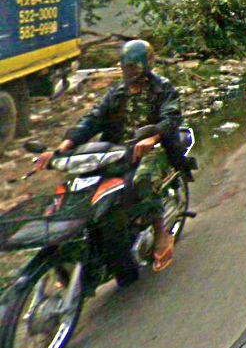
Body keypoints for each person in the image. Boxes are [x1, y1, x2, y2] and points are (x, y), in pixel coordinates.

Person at [35, 39, 187, 272]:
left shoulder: (163, 88)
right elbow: (93, 119)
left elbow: (171, 117)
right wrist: (63, 146)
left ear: (147, 64)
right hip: (116, 151)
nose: (128, 72)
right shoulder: (117, 92)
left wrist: (153, 137)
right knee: (80, 184)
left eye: (133, 67)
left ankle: (160, 231)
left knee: (143, 179)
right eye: (125, 67)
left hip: (156, 148)